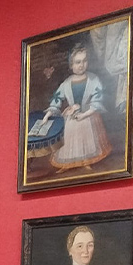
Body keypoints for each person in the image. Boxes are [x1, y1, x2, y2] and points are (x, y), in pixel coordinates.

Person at [37, 44, 111, 172]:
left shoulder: (93, 79)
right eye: (77, 62)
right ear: (71, 65)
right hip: (71, 116)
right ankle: (67, 164)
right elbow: (56, 99)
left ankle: (86, 161)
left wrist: (85, 114)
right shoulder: (66, 83)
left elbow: (97, 100)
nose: (81, 65)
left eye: (84, 61)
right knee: (69, 136)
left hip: (89, 115)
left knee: (85, 135)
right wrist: (47, 115)